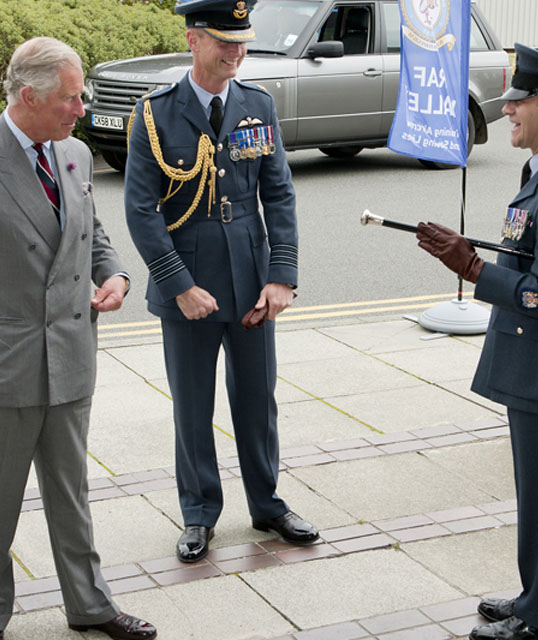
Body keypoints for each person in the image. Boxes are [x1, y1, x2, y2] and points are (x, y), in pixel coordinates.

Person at [0, 37, 156, 640]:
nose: (82, 108)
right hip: (0, 370)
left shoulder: (74, 154)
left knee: (71, 498)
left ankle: (90, 605)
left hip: (71, 359)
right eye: (72, 99)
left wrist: (117, 274)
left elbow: (91, 231)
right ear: (30, 96)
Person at [415, 43, 538, 640]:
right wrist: (472, 255)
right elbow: (533, 259)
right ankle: (536, 596)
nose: (507, 112)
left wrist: (475, 269)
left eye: (518, 103)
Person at [123, 0, 319, 563]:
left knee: (258, 400)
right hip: (188, 285)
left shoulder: (258, 105)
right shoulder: (156, 113)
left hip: (251, 280)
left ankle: (269, 504)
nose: (237, 53)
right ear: (192, 40)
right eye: (223, 42)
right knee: (192, 404)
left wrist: (282, 276)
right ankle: (199, 513)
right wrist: (178, 283)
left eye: (242, 43)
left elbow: (279, 193)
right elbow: (141, 209)